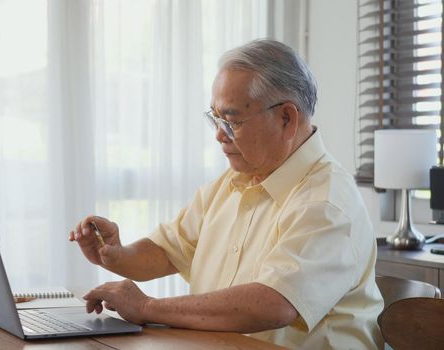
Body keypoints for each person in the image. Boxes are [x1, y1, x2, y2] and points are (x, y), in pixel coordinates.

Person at [69, 39, 384, 349]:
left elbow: (274, 303)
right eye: (215, 118)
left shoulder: (327, 202)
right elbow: (168, 250)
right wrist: (117, 255)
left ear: (286, 118)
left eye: (232, 121)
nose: (220, 135)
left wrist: (148, 307)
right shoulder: (231, 182)